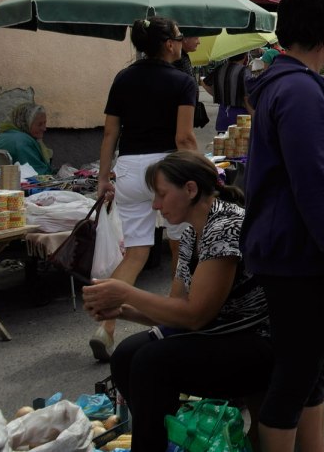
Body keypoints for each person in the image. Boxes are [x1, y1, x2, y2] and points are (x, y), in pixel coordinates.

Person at [242, 0, 324, 452]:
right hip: (301, 256)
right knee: (294, 379)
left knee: (310, 374)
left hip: (293, 251)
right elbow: (313, 184)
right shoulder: (299, 91)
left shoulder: (286, 83)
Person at [84, 151, 271, 452]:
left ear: (190, 189)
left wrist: (127, 292)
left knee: (151, 362)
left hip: (255, 341)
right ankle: (165, 439)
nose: (156, 205)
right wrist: (124, 311)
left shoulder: (225, 226)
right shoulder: (190, 233)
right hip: (218, 332)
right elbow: (177, 310)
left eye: (161, 195)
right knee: (126, 355)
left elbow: (196, 315)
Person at [95, 16, 198, 362]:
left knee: (136, 252)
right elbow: (184, 138)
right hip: (167, 169)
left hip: (128, 168)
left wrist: (103, 178)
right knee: (179, 247)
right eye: (180, 37)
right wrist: (206, 169)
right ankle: (172, 322)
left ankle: (105, 326)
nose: (183, 41)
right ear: (169, 44)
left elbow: (110, 133)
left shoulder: (122, 77)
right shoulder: (182, 81)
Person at [0, 101, 53, 175]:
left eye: (44, 123)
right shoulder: (23, 141)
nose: (44, 128)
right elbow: (39, 174)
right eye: (39, 124)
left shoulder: (3, 135)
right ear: (26, 123)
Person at [204, 52, 250, 133]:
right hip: (241, 119)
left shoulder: (219, 68)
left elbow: (204, 83)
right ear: (244, 57)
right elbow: (246, 97)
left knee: (223, 143)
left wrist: (218, 94)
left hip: (223, 118)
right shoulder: (244, 71)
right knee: (241, 144)